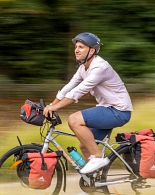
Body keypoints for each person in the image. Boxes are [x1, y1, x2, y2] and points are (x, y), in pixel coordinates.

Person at [42, 32, 133, 175]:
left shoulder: (100, 67)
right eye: (76, 47)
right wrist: (51, 105)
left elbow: (78, 91)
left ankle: (97, 157)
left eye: (81, 47)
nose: (76, 50)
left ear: (92, 50)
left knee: (74, 120)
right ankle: (95, 182)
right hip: (107, 108)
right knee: (85, 146)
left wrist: (56, 107)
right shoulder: (83, 68)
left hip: (118, 111)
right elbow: (68, 87)